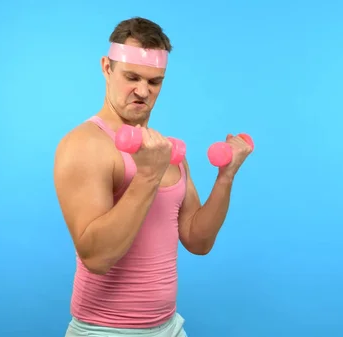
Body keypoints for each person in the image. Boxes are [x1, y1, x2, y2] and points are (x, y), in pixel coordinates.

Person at [53, 17, 253, 337]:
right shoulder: (85, 145)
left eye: (154, 81)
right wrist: (147, 176)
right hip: (105, 330)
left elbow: (197, 240)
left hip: (169, 327)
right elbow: (97, 257)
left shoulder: (165, 150)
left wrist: (225, 177)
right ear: (107, 67)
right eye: (132, 77)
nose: (143, 91)